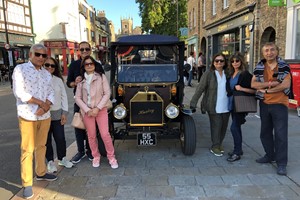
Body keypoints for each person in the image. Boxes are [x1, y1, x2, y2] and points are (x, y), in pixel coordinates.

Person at [12, 44, 57, 199]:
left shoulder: (46, 73)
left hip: (44, 115)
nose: (41, 58)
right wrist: (40, 103)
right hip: (27, 115)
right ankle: (27, 184)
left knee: (41, 146)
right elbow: (19, 93)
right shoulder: (20, 70)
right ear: (30, 54)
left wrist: (45, 107)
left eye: (44, 55)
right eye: (37, 54)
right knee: (27, 149)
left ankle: (41, 173)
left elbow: (51, 92)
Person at [251, 42, 291, 176]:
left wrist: (267, 91)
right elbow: (253, 84)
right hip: (264, 104)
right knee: (265, 132)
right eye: (266, 50)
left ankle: (281, 164)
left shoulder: (284, 67)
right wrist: (270, 83)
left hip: (280, 103)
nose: (269, 52)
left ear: (277, 51)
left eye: (272, 50)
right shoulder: (259, 67)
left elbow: (285, 85)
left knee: (281, 135)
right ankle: (269, 155)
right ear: (263, 53)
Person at [75, 55, 118, 169]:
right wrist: (87, 110)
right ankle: (96, 156)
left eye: (91, 63)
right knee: (91, 135)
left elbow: (107, 93)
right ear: (83, 67)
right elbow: (77, 98)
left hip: (101, 109)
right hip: (87, 112)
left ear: (94, 65)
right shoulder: (81, 80)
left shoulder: (101, 77)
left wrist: (97, 108)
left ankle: (111, 157)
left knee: (105, 134)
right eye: (87, 64)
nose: (89, 66)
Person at [67, 41, 101, 163]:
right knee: (79, 126)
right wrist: (74, 83)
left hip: (94, 102)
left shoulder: (97, 65)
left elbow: (102, 82)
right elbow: (69, 83)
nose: (85, 51)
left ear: (90, 50)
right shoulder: (74, 65)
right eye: (82, 49)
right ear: (78, 51)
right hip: (79, 101)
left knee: (92, 128)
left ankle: (91, 151)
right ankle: (80, 151)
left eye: (87, 49)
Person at [190, 53, 230, 156]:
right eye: (217, 61)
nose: (219, 63)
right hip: (213, 105)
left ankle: (219, 143)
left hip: (227, 105)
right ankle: (215, 146)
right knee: (216, 126)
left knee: (223, 127)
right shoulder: (209, 74)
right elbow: (200, 89)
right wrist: (193, 103)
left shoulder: (228, 73)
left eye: (221, 61)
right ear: (213, 62)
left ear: (225, 62)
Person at [44, 57, 73, 173]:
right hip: (43, 115)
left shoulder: (58, 80)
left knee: (60, 138)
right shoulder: (38, 79)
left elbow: (63, 97)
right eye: (47, 65)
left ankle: (62, 158)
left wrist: (64, 113)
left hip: (57, 113)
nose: (50, 67)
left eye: (52, 66)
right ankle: (50, 161)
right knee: (46, 140)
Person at [226, 52, 256, 162]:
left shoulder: (245, 74)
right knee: (237, 127)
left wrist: (242, 89)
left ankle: (237, 152)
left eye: (237, 61)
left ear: (241, 61)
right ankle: (239, 149)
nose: (235, 63)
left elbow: (254, 90)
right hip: (232, 104)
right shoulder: (230, 74)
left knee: (233, 127)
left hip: (240, 104)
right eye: (232, 61)